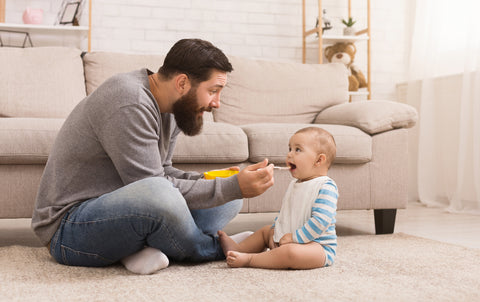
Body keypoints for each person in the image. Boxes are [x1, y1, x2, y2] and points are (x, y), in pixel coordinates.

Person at [31, 38, 274, 275]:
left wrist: (217, 182)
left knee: (229, 197)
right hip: (70, 229)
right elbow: (154, 189)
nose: (217, 103)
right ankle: (219, 249)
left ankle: (137, 250)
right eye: (213, 91)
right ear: (182, 83)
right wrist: (231, 187)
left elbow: (163, 172)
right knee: (168, 194)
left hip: (126, 212)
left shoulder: (173, 107)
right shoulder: (130, 101)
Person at [218, 127, 338, 269]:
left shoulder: (326, 187)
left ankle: (250, 259)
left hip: (317, 247)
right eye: (290, 149)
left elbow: (319, 223)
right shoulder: (295, 184)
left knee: (290, 253)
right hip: (288, 238)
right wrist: (277, 231)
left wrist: (294, 238)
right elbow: (286, 214)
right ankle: (238, 248)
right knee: (265, 231)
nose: (289, 155)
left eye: (297, 150)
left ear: (319, 160)